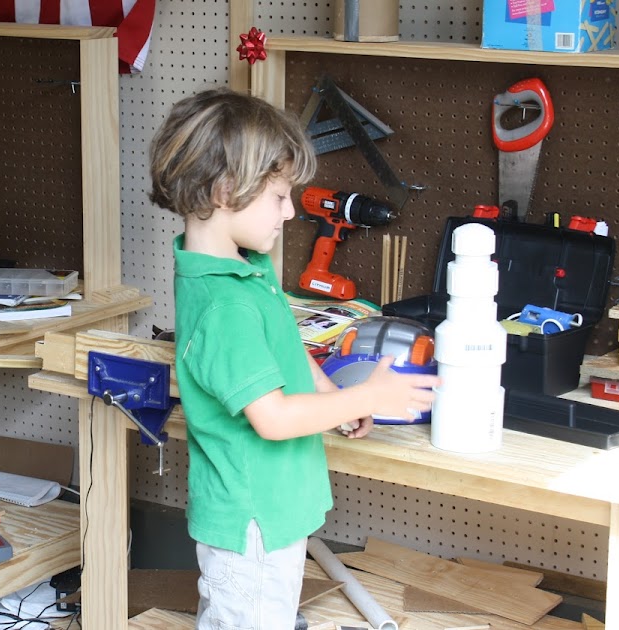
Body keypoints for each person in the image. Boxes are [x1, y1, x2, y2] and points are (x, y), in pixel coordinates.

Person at [147, 87, 439, 628]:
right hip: (252, 526)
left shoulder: (244, 269)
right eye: (279, 197)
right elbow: (274, 418)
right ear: (225, 190)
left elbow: (285, 345)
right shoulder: (224, 307)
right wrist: (367, 395)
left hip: (271, 512)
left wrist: (334, 396)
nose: (290, 212)